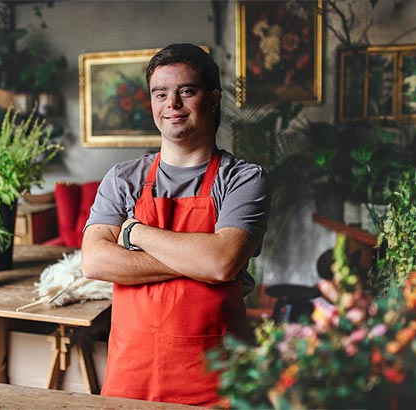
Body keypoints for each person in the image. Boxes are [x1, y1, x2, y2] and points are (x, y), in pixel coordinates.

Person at [80, 43, 267, 406]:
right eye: (161, 94)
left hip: (217, 373)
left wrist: (136, 233)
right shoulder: (123, 178)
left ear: (213, 99)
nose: (173, 105)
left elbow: (221, 261)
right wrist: (199, 261)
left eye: (187, 91)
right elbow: (95, 261)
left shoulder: (243, 179)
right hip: (132, 370)